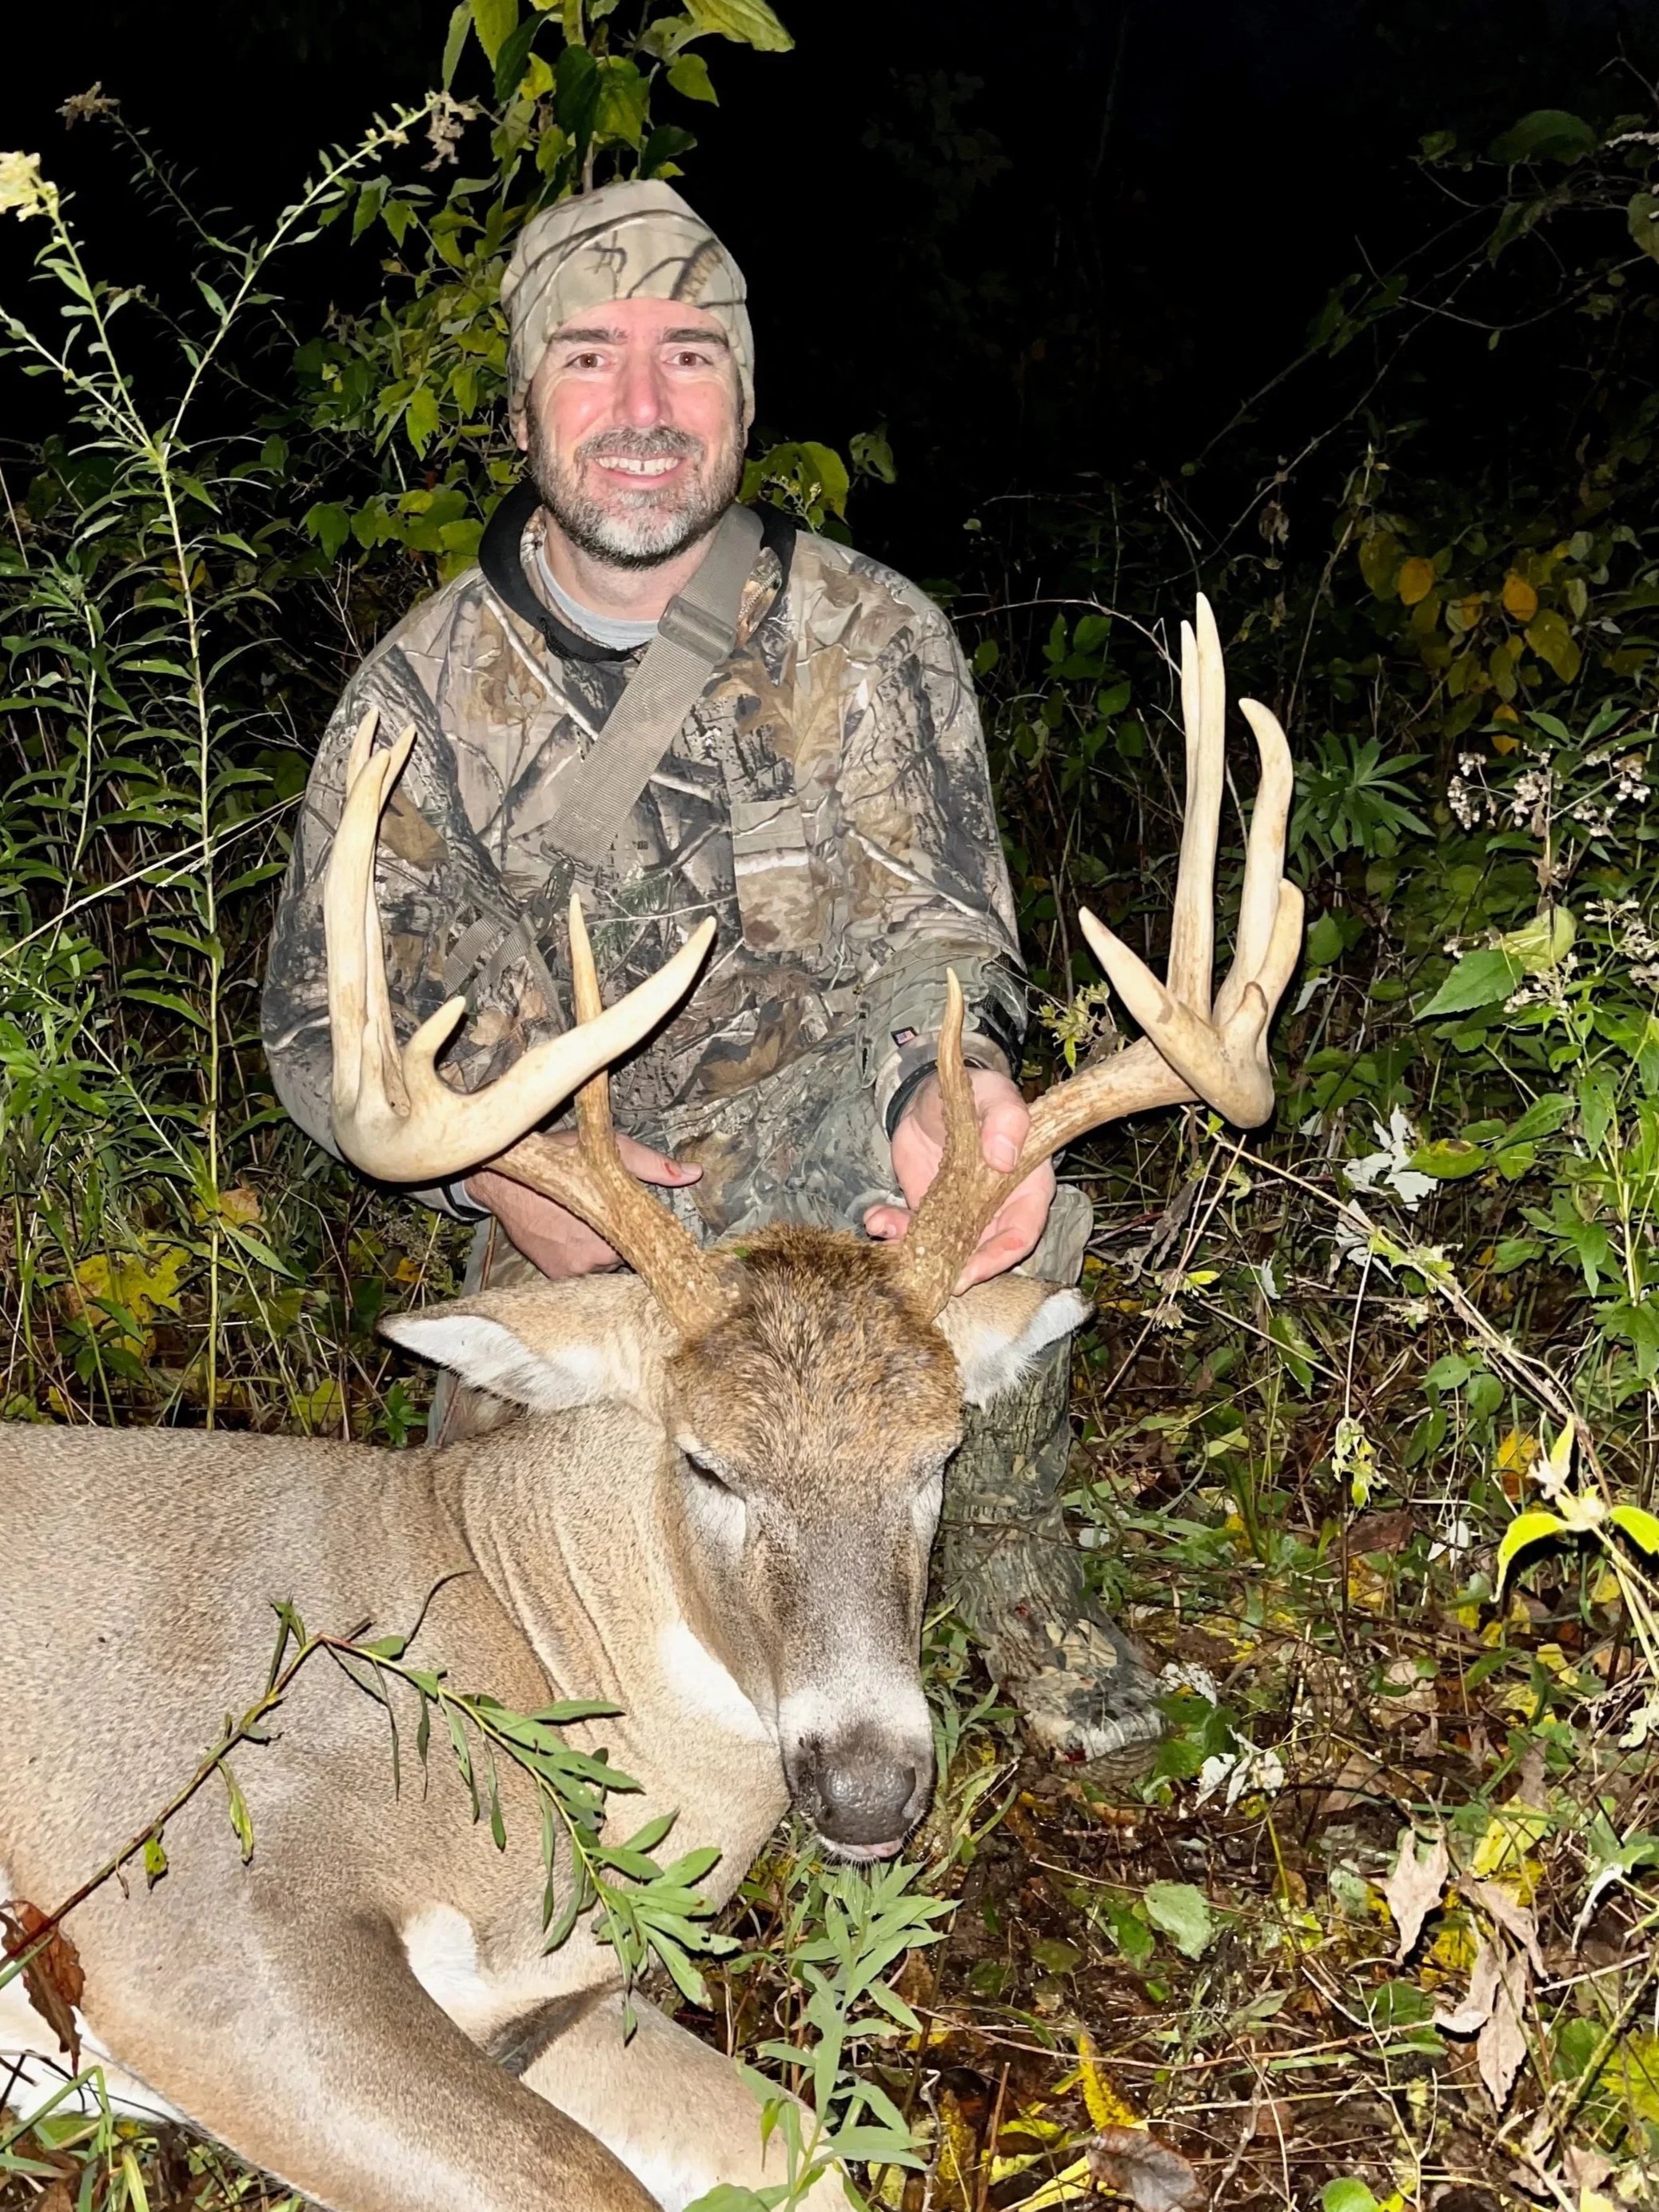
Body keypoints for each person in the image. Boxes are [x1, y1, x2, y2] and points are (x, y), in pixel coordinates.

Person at [261, 180, 1160, 1767]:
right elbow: (326, 1030)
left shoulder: (872, 636)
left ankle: (1006, 1561)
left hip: (837, 1193)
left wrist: (944, 1106)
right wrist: (499, 1179)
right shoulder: (418, 690)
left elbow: (938, 935)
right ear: (528, 402)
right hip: (595, 1221)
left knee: (1020, 1214)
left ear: (742, 401)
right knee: (521, 1645)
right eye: (592, 359)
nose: (642, 409)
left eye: (689, 359)